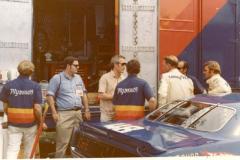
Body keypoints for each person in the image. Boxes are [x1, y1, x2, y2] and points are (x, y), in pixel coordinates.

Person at [47, 56, 91, 158]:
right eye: (75, 65)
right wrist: (54, 112)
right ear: (68, 66)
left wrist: (87, 109)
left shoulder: (78, 78)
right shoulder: (57, 78)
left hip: (78, 113)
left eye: (78, 65)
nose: (78, 67)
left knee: (78, 143)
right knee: (62, 143)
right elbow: (50, 95)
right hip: (64, 114)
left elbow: (82, 94)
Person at [0, 60, 45, 159]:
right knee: (29, 151)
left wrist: (10, 115)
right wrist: (41, 122)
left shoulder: (8, 85)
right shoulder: (35, 86)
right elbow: (37, 108)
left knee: (12, 149)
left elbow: (5, 106)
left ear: (18, 70)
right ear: (31, 71)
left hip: (14, 123)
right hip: (30, 124)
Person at [98, 55, 126, 122]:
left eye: (125, 64)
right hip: (107, 115)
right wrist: (116, 96)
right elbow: (101, 95)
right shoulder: (105, 77)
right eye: (122, 64)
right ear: (115, 65)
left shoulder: (124, 78)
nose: (124, 67)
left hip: (120, 114)